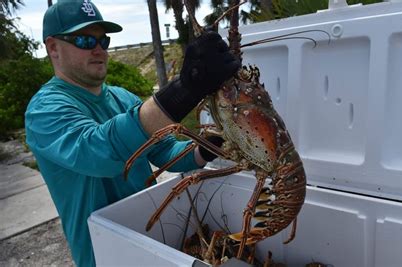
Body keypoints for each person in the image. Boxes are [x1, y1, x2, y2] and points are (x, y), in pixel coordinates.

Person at [24, 1, 240, 266]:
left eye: (103, 40)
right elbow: (100, 152)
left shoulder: (122, 98)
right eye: (83, 39)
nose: (98, 49)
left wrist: (204, 148)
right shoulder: (44, 110)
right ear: (53, 47)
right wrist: (184, 89)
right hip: (101, 254)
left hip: (150, 240)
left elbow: (164, 151)